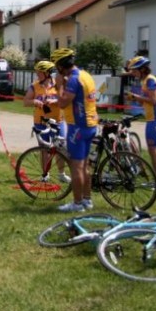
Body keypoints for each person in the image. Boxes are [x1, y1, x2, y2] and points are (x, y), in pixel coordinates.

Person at [51, 48, 99, 212]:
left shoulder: (73, 79)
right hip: (91, 124)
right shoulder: (86, 75)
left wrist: (58, 87)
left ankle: (77, 204)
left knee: (76, 167)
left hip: (78, 126)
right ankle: (87, 200)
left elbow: (63, 103)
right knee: (85, 166)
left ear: (60, 66)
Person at [125, 56, 156, 191]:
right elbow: (146, 101)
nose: (132, 73)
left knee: (154, 150)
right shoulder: (145, 80)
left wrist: (135, 96)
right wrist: (137, 99)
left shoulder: (150, 80)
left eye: (134, 70)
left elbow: (154, 100)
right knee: (152, 151)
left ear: (142, 69)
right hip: (153, 118)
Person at [22, 60, 70, 183]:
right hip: (41, 122)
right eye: (37, 72)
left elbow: (65, 100)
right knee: (44, 149)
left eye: (40, 72)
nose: (37, 75)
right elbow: (25, 101)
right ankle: (45, 174)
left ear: (47, 73)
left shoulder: (58, 85)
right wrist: (34, 102)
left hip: (58, 121)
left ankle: (61, 174)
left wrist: (54, 101)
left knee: (60, 148)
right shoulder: (34, 86)